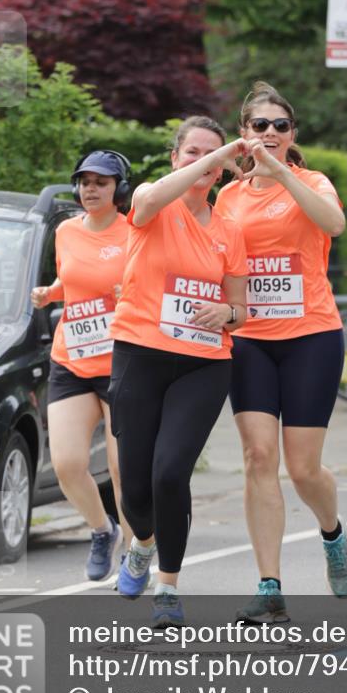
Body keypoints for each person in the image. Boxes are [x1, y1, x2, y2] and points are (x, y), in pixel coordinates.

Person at [214, 81, 347, 622]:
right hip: (250, 340)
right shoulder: (227, 197)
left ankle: (332, 533)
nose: (269, 133)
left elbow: (335, 224)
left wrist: (280, 175)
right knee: (257, 458)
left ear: (291, 135)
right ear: (243, 134)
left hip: (311, 337)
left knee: (303, 469)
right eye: (259, 126)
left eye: (279, 126)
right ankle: (269, 584)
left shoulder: (312, 180)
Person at [108, 117, 249, 628]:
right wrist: (212, 158)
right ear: (175, 158)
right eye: (192, 153)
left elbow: (242, 308)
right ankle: (141, 543)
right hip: (140, 354)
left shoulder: (230, 229)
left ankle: (167, 585)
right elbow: (143, 203)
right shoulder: (152, 200)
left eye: (213, 156)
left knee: (171, 473)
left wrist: (227, 315)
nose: (203, 163)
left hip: (203, 362)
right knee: (136, 487)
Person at [31, 150, 133, 582]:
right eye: (85, 181)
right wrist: (50, 294)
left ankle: (135, 551)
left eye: (101, 182)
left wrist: (126, 290)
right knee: (68, 462)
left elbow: (153, 284)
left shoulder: (135, 232)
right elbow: (71, 281)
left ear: (119, 190)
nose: (90, 189)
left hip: (122, 363)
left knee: (121, 467)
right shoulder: (67, 231)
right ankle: (101, 530)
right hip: (71, 357)